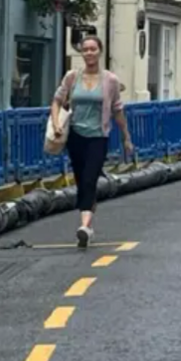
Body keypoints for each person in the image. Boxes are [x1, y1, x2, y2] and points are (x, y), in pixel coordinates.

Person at [50, 36, 135, 249]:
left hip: (99, 136)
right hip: (76, 135)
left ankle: (84, 226)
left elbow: (117, 109)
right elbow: (57, 100)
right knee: (81, 180)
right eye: (85, 49)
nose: (89, 53)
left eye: (93, 49)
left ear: (100, 52)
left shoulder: (110, 80)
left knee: (90, 178)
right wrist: (56, 123)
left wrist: (126, 137)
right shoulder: (72, 77)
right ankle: (88, 222)